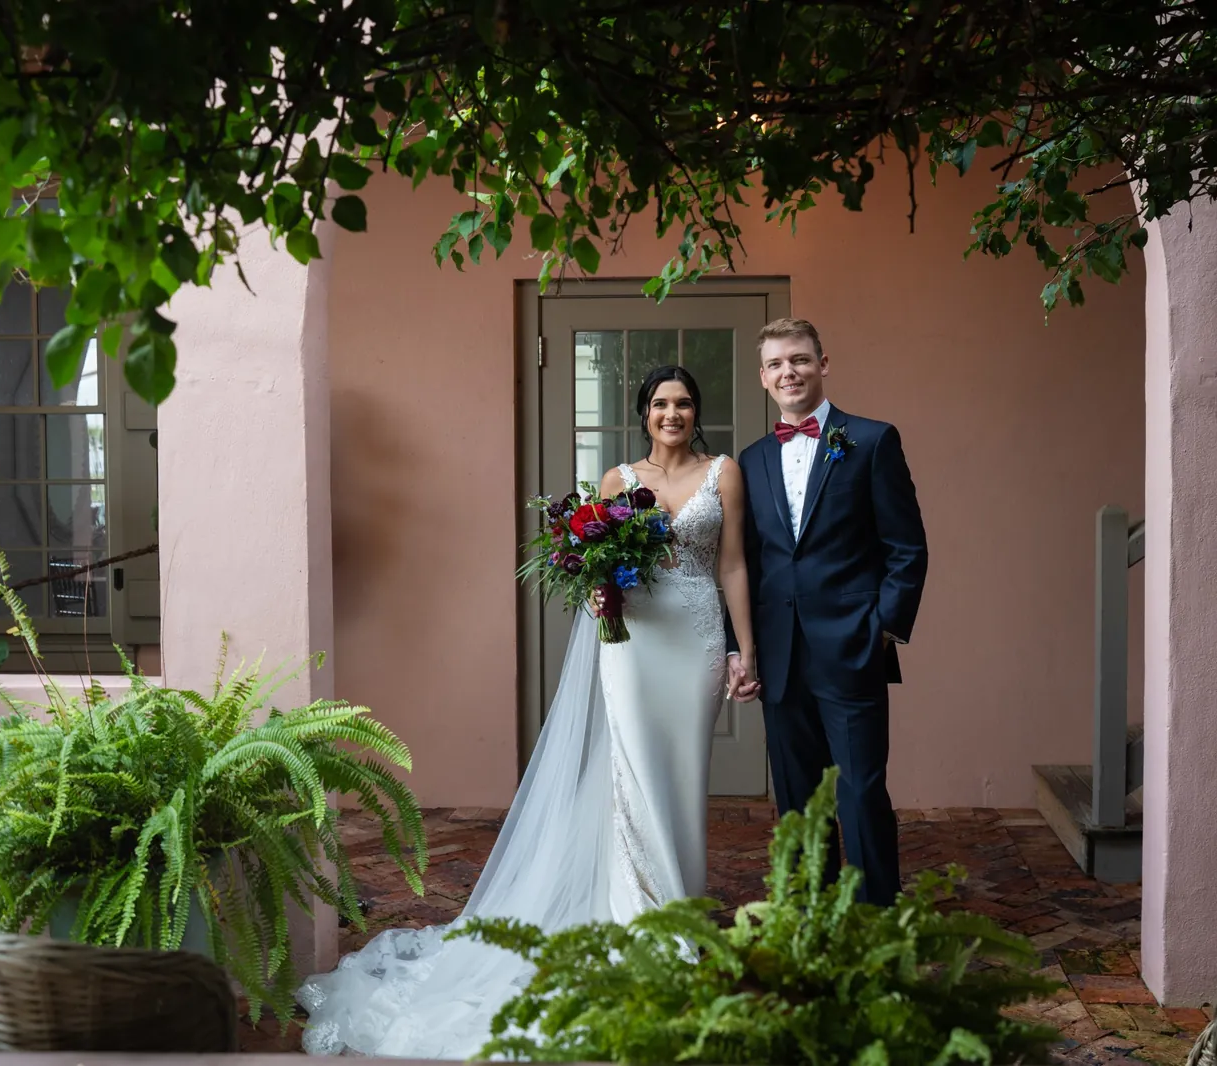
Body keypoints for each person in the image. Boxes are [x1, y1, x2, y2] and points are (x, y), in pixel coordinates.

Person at [294, 365, 755, 1058]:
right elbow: (598, 568)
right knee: (632, 772)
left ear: (698, 411)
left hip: (694, 638)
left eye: (684, 403)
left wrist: (744, 649)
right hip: (631, 643)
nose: (672, 413)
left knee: (684, 778)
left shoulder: (724, 474)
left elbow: (733, 566)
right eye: (660, 403)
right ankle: (642, 926)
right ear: (643, 412)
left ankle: (678, 911)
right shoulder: (618, 482)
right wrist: (600, 594)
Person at [726, 317, 928, 907]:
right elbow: (746, 562)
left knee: (861, 791)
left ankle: (872, 921)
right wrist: (745, 646)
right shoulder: (752, 458)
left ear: (823, 364)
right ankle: (809, 913)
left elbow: (907, 547)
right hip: (781, 654)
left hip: (853, 647)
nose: (789, 372)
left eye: (800, 360)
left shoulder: (871, 440)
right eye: (776, 364)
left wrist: (884, 629)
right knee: (796, 796)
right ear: (763, 377)